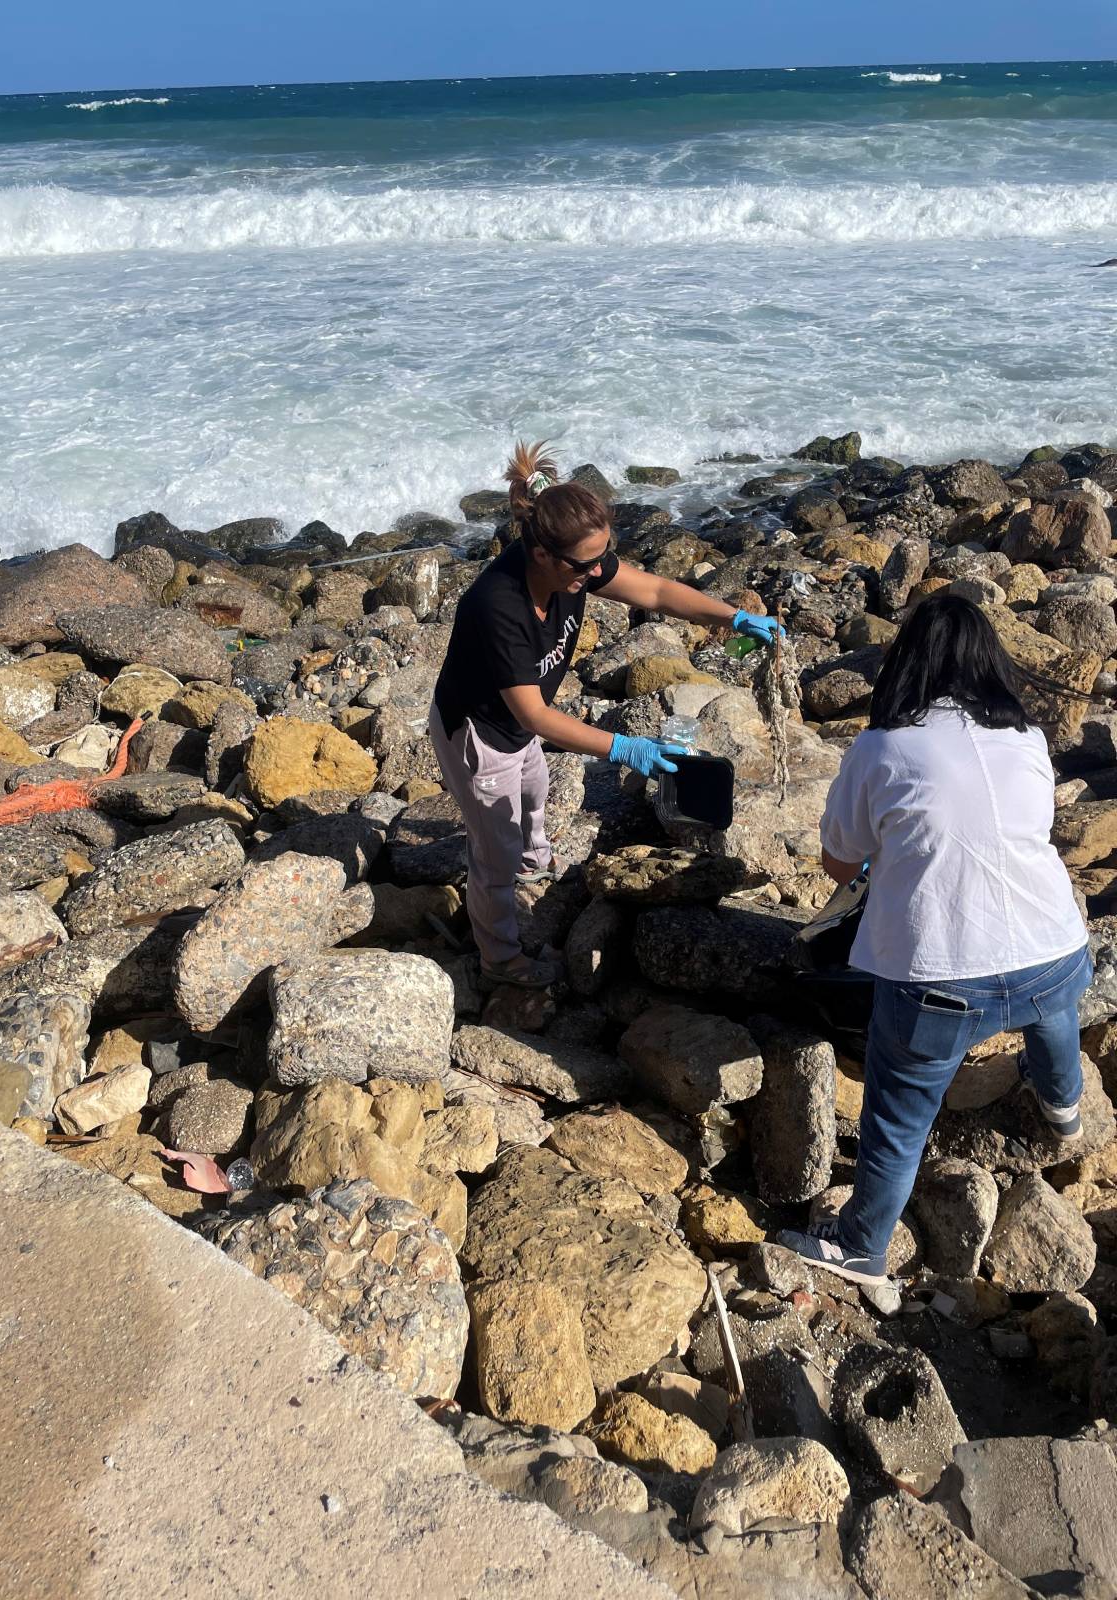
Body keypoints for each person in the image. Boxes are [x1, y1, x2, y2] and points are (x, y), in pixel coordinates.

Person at [779, 593, 1092, 1288]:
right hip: (1054, 953)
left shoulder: (882, 746)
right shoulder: (1027, 738)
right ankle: (1063, 1109)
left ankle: (863, 1246)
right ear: (990, 662)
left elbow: (838, 862)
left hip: (942, 981)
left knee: (899, 1111)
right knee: (1053, 1018)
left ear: (904, 663)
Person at [431, 440, 783, 987]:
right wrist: (627, 748)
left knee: (535, 793)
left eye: (602, 559)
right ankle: (500, 958)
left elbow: (658, 591)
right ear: (542, 554)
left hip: (521, 727)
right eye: (585, 565)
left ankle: (531, 875)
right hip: (480, 733)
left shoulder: (577, 566)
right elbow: (535, 718)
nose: (597, 573)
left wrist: (733, 617)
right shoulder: (497, 605)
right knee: (493, 853)